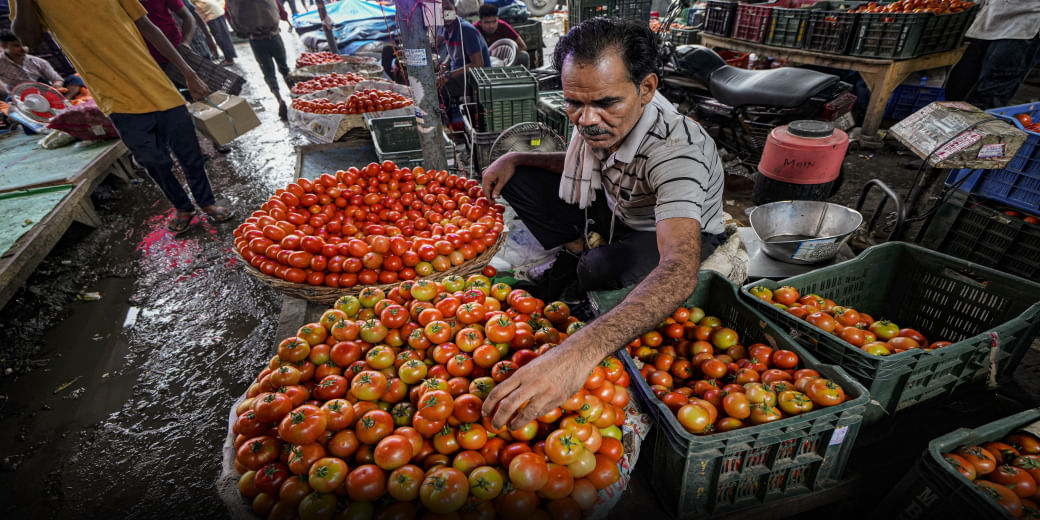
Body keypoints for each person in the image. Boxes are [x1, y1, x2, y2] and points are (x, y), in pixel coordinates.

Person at [479, 17, 726, 430]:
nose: (587, 120)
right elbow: (575, 161)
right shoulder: (603, 125)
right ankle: (575, 248)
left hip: (661, 227)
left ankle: (584, 261)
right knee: (518, 178)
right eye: (574, 103)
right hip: (618, 203)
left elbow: (680, 266)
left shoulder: (677, 152)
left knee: (597, 268)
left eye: (606, 103)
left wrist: (578, 353)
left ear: (647, 88)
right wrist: (515, 157)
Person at [11, 0, 233, 234]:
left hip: (157, 84)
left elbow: (147, 25)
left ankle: (206, 201)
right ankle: (182, 206)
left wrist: (189, 73)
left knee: (190, 153)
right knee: (153, 161)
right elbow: (29, 39)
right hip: (114, 96)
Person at [946, 0, 1040, 109]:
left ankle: (977, 119)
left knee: (988, 93)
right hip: (991, 20)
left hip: (1024, 26)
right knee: (959, 86)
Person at [225, 0, 293, 120]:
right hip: (274, 36)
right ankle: (295, 93)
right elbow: (281, 12)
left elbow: (230, 16)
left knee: (268, 72)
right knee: (284, 67)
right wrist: (284, 18)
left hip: (256, 40)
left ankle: (279, 99)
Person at [437, 0, 489, 116]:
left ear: (455, 10)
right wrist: (445, 65)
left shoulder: (466, 30)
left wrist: (448, 75)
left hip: (474, 79)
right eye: (440, 11)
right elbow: (452, 53)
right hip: (458, 73)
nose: (445, 13)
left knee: (436, 87)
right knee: (432, 79)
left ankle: (447, 120)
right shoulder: (445, 28)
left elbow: (478, 64)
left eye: (447, 9)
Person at [0, 30, 84, 98]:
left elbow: (57, 79)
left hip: (45, 91)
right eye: (16, 46)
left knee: (75, 79)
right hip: (20, 95)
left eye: (25, 45)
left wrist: (56, 86)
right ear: (3, 46)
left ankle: (66, 100)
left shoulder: (38, 61)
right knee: (9, 98)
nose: (23, 49)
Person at [476, 3, 529, 68]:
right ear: (480, 22)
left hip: (504, 61)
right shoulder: (474, 30)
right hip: (482, 63)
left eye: (494, 21)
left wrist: (506, 57)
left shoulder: (503, 26)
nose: (491, 26)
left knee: (523, 55)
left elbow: (523, 46)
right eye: (487, 22)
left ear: (498, 19)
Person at [193, 0, 237, 65]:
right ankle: (228, 57)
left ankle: (229, 59)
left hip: (213, 13)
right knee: (221, 36)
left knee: (221, 37)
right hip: (213, 12)